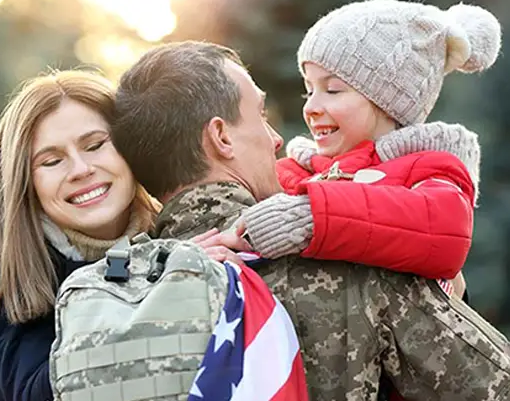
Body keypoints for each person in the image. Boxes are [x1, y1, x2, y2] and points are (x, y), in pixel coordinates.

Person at [110, 40, 510, 400]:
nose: (276, 139)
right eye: (260, 116)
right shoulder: (352, 262)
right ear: (222, 137)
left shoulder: (119, 284)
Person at [0, 70, 248, 401]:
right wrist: (163, 274)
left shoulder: (169, 228)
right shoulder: (0, 260)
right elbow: (42, 392)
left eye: (95, 145)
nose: (80, 169)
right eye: (51, 161)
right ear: (26, 182)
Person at [239, 0, 501, 302]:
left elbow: (443, 228)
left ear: (389, 103)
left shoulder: (431, 168)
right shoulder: (295, 170)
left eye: (333, 90)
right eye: (308, 90)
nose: (310, 107)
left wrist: (310, 217)